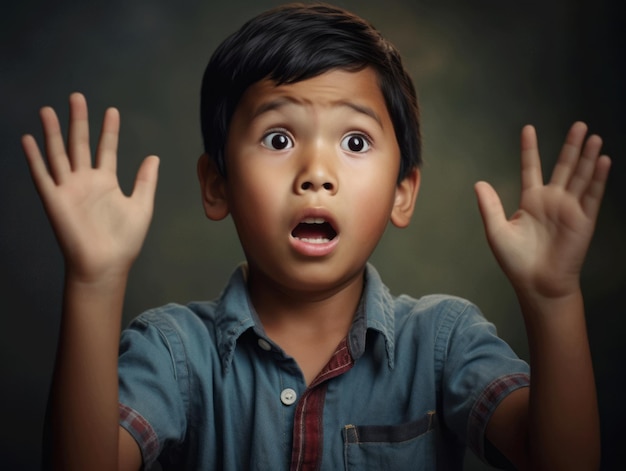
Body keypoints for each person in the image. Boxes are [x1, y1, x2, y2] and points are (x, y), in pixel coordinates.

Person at [22, 3, 610, 470]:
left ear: (403, 190)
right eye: (279, 139)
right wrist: (95, 281)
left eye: (355, 142)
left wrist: (553, 298)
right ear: (216, 185)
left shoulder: (443, 342)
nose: (316, 173)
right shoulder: (173, 353)